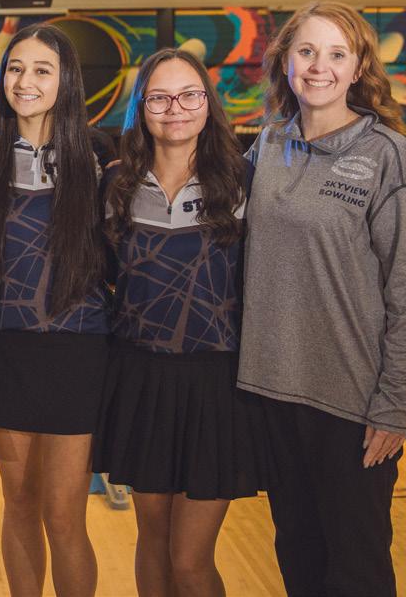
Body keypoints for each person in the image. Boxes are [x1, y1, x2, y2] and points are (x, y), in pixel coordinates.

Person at [237, 1, 406, 597]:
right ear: (285, 62)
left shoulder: (387, 154)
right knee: (298, 557)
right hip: (273, 391)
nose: (320, 66)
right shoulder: (268, 144)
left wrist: (395, 403)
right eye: (307, 51)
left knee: (357, 570)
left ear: (358, 68)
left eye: (337, 54)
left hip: (350, 402)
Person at [93, 48, 271, 597]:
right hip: (142, 377)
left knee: (189, 559)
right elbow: (106, 273)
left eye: (189, 95)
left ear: (208, 103)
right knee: (152, 541)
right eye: (160, 98)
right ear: (141, 108)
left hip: (214, 384)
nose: (175, 109)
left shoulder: (242, 179)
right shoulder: (118, 184)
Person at [0, 24, 110, 597]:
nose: (25, 81)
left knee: (64, 513)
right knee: (19, 502)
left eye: (42, 70)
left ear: (65, 80)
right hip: (6, 347)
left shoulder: (98, 156)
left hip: (77, 350)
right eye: (15, 68)